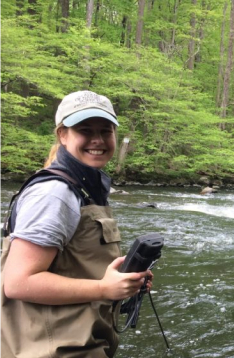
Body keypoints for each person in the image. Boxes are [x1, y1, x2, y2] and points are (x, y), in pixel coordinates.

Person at [1, 90, 152, 358]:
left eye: (106, 131)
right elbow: (18, 282)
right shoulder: (55, 194)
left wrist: (123, 280)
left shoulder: (85, 187)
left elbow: (76, 265)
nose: (98, 140)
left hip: (76, 343)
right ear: (62, 134)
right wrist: (104, 288)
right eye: (85, 130)